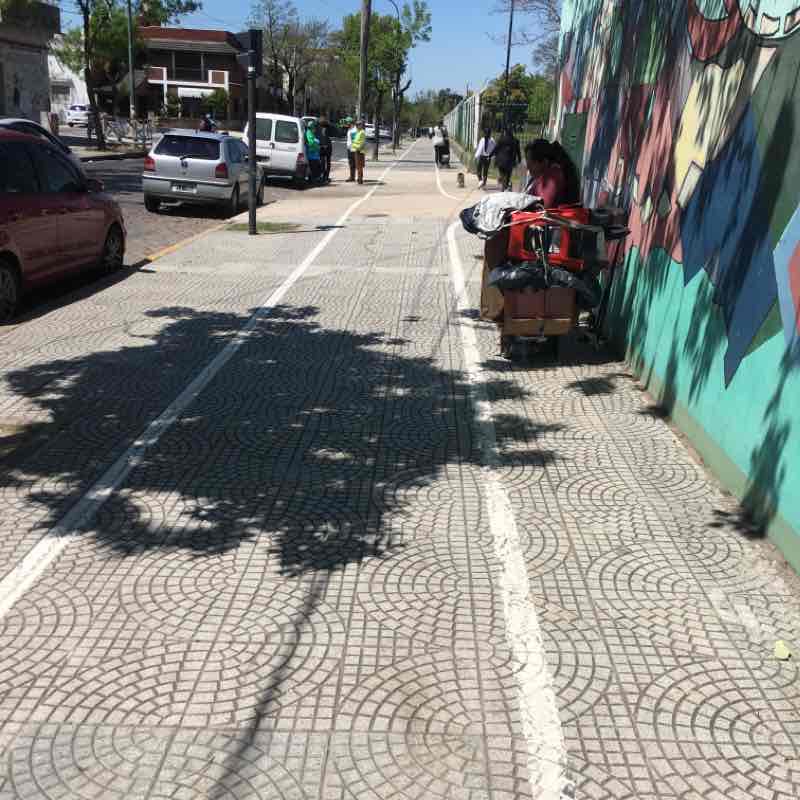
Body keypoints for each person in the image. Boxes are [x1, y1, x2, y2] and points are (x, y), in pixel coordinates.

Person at [522, 138, 581, 206]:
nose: (528, 167)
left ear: (544, 162)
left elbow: (543, 206)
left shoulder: (554, 176)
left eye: (531, 163)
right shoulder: (541, 177)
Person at [493, 127, 522, 191]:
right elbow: (518, 151)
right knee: (508, 175)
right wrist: (519, 159)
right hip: (510, 161)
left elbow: (496, 149)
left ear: (505, 133)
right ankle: (504, 186)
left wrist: (492, 155)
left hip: (500, 161)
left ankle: (504, 185)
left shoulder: (501, 139)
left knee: (503, 174)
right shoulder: (516, 141)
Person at [318, 117, 333, 183]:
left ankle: (325, 176)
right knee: (323, 162)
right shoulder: (319, 128)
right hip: (323, 147)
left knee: (326, 162)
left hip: (327, 147)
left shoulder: (327, 128)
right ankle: (324, 176)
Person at [352, 120, 367, 184]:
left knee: (359, 166)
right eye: (357, 125)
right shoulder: (358, 132)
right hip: (356, 150)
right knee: (358, 166)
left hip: (359, 151)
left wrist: (358, 148)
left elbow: (362, 143)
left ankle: (360, 179)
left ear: (361, 125)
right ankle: (359, 178)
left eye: (359, 124)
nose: (357, 126)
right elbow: (355, 141)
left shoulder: (362, 132)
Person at [345, 118, 357, 182]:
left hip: (353, 149)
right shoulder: (349, 129)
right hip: (349, 148)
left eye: (347, 123)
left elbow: (354, 140)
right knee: (351, 163)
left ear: (351, 123)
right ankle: (352, 176)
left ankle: (352, 177)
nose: (347, 124)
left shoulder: (354, 130)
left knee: (353, 163)